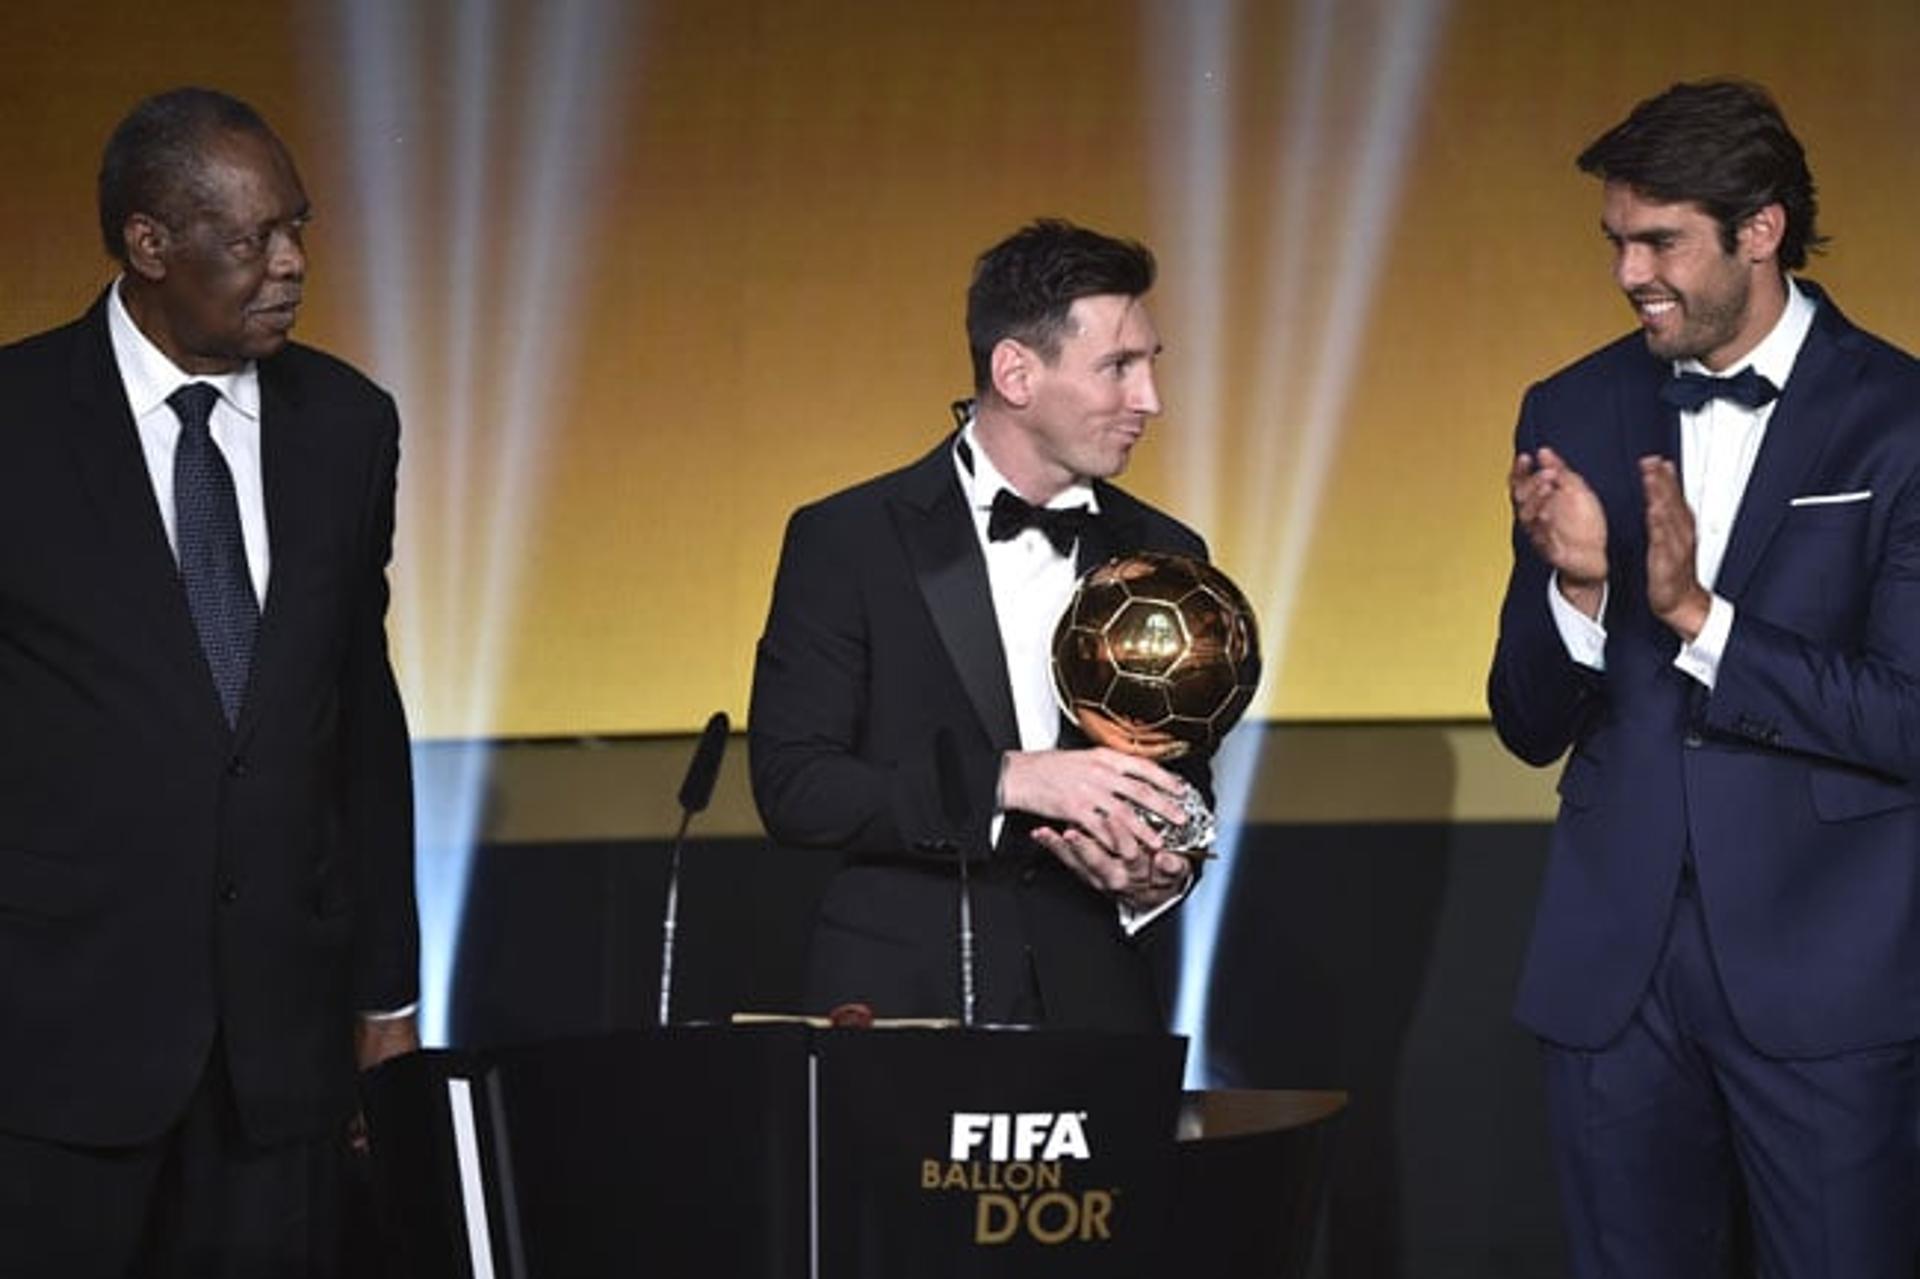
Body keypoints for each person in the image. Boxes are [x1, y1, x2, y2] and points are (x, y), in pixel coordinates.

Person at [1490, 79, 1920, 1277]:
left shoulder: (1901, 419)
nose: (1630, 271)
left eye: (1661, 240)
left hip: (1826, 975)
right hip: (1612, 981)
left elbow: (1908, 715)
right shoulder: (1571, 404)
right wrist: (1578, 591)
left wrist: (1694, 616)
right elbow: (1525, 721)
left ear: (1762, 229)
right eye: (1617, 240)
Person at [0, 88, 418, 1275]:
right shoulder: (14, 424)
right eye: (250, 240)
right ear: (150, 242)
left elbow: (359, 718)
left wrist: (388, 994)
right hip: (51, 1046)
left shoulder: (348, 423)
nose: (290, 265)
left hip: (278, 1063)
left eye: (298, 229)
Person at [750, 219, 1207, 1031]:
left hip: (1097, 1010)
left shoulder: (1165, 554)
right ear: (1016, 372)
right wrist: (1009, 779)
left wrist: (1160, 872)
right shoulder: (849, 540)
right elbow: (796, 788)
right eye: (1117, 368)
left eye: (1149, 365)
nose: (1150, 400)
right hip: (900, 1014)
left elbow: (1182, 790)